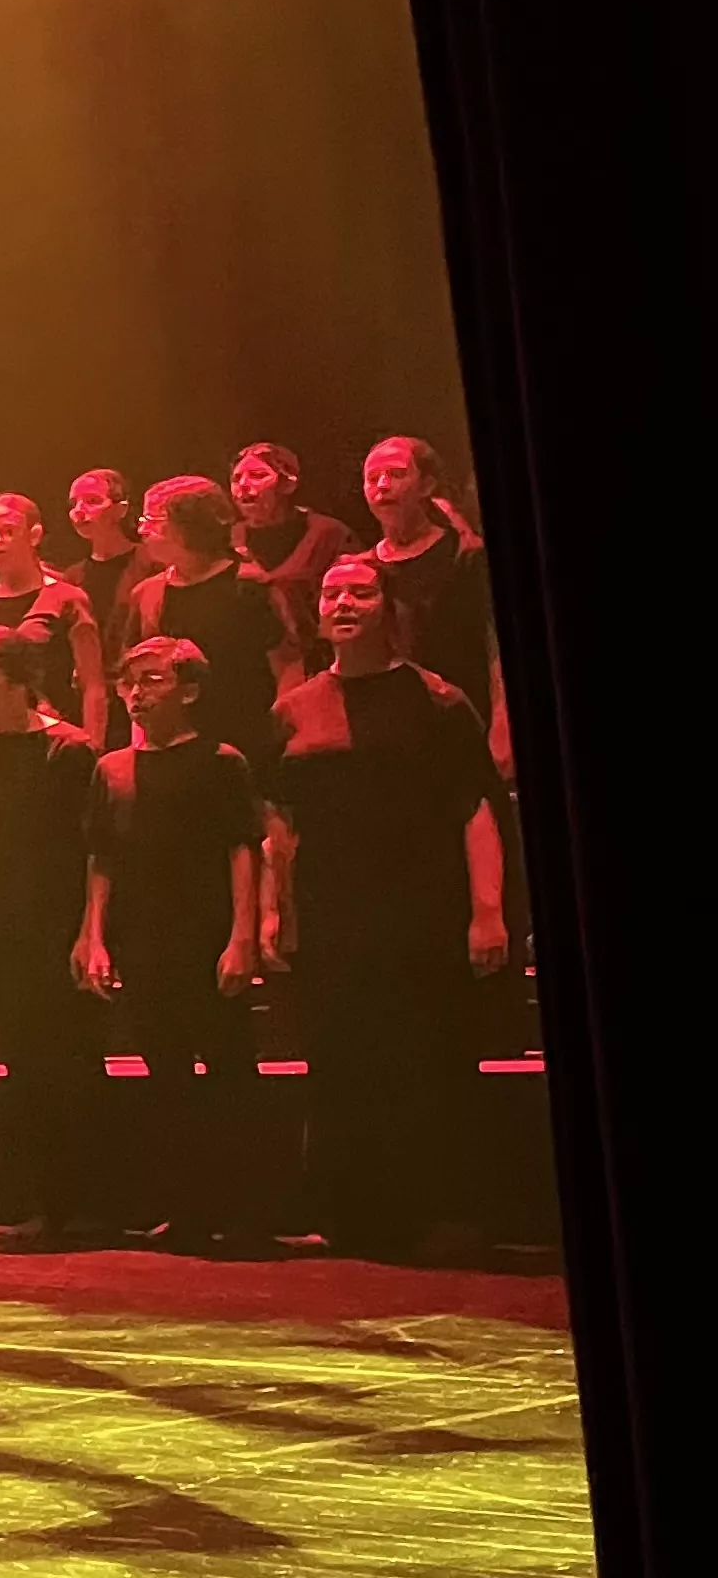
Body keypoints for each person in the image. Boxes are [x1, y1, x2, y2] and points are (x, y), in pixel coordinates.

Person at [264, 555, 511, 1262]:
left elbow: (474, 808)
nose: (343, 601)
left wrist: (486, 909)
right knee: (342, 1061)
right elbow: (280, 821)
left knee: (426, 1059)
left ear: (388, 607)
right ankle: (355, 1215)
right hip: (332, 909)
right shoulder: (295, 707)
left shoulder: (435, 699)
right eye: (333, 592)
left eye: (361, 591)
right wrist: (273, 912)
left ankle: (440, 1214)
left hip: (419, 906)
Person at [77, 636, 273, 1259]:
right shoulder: (113, 769)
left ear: (188, 690)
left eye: (153, 680)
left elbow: (242, 851)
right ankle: (185, 1210)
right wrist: (95, 936)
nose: (137, 693)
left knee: (227, 1075)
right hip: (144, 942)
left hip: (206, 939)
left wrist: (242, 937)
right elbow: (102, 859)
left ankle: (244, 1214)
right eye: (129, 682)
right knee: (165, 1079)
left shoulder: (222, 762)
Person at [0, 623, 111, 1250]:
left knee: (70, 1062)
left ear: (20, 680)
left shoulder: (67, 750)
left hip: (60, 925)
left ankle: (88, 1206)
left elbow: (92, 847)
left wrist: (89, 931)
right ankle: (45, 1204)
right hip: (10, 929)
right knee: (25, 1064)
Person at [126, 477, 285, 764]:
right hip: (170, 750)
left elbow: (286, 665)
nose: (142, 529)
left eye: (154, 520)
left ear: (191, 526)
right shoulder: (147, 594)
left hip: (246, 743)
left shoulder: (248, 586)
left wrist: (282, 739)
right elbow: (134, 678)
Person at [362, 436, 502, 720]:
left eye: (396, 474)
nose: (382, 486)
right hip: (392, 718)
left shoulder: (465, 555)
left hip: (463, 713)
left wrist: (502, 716)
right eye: (372, 478)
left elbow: (493, 641)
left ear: (426, 484)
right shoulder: (365, 566)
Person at [0, 493, 109, 737]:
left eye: (8, 530)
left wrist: (92, 743)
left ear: (34, 535)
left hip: (55, 737)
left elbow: (92, 683)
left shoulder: (66, 600)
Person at [230, 441, 361, 681]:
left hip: (314, 669)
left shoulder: (327, 535)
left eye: (258, 475)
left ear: (288, 483)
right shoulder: (229, 540)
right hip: (247, 673)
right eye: (237, 479)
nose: (244, 486)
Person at [68, 469, 160, 677]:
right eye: (74, 504)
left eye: (92, 500)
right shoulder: (72, 577)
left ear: (121, 509)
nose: (79, 511)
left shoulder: (151, 563)